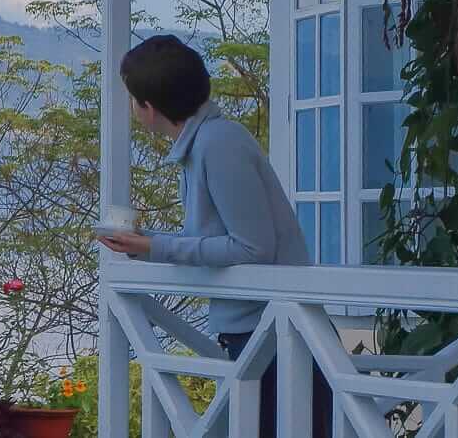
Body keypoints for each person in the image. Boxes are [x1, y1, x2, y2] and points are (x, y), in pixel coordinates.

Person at [96, 35, 329, 437]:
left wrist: (154, 246)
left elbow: (253, 247)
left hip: (273, 336)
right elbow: (223, 238)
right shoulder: (205, 143)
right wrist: (147, 245)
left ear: (149, 107)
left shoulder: (218, 143)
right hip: (258, 332)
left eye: (133, 100)